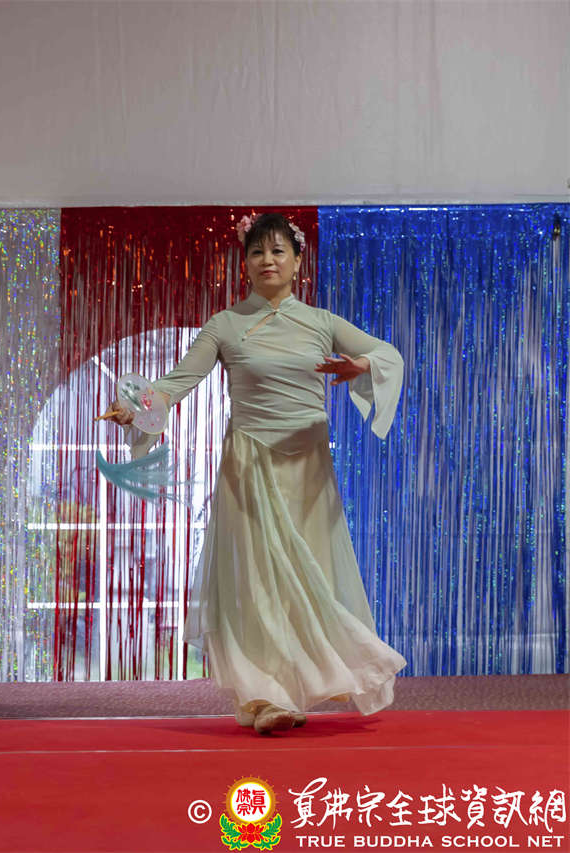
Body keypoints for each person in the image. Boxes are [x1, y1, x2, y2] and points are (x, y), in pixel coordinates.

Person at [105, 212, 407, 734]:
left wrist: (363, 366)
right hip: (249, 464)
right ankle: (267, 697)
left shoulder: (321, 321)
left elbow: (387, 354)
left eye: (278, 251)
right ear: (244, 263)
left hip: (308, 467)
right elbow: (178, 382)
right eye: (257, 252)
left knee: (306, 580)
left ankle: (300, 687)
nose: (268, 260)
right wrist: (136, 409)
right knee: (257, 582)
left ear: (297, 261)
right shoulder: (225, 324)